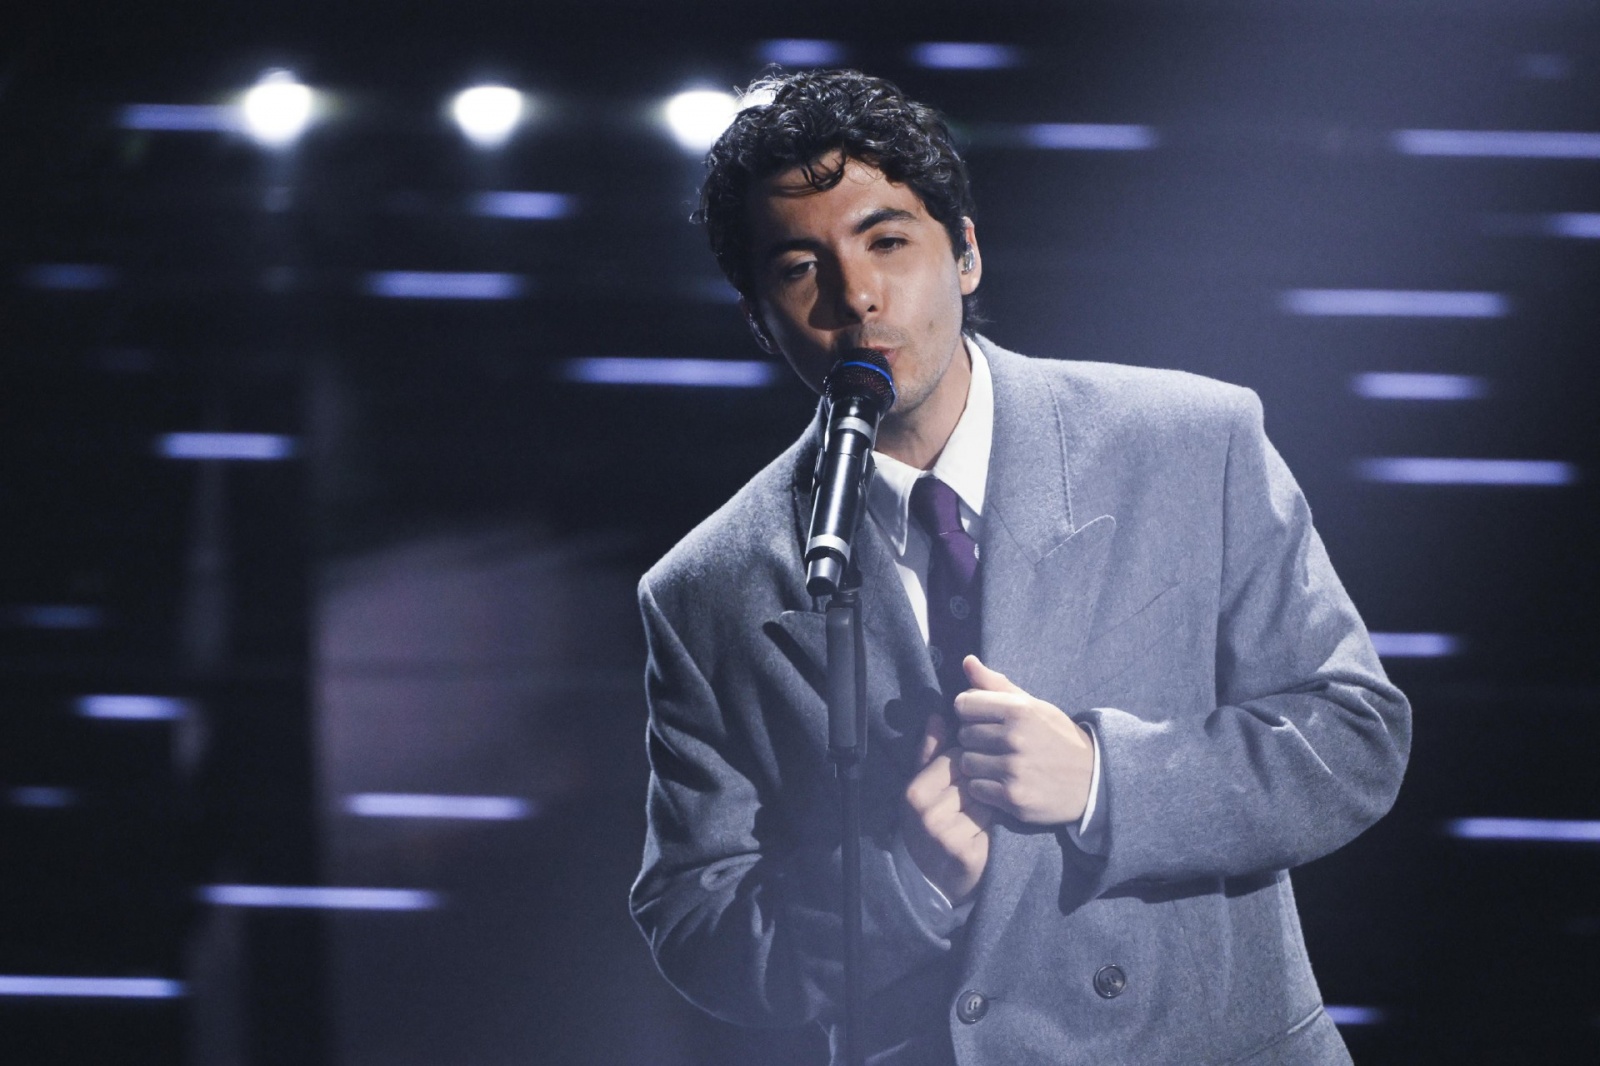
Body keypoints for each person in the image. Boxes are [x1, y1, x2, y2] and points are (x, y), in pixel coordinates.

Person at [630, 69, 1410, 1066]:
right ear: (757, 317)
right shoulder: (706, 588)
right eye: (798, 266)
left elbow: (1355, 734)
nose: (855, 294)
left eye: (887, 241)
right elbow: (695, 920)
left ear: (963, 254)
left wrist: (1103, 779)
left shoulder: (1189, 442)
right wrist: (902, 881)